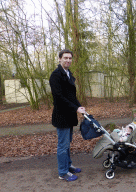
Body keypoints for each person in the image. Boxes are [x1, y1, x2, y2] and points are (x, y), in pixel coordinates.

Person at [49, 49, 85, 182]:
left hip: (70, 116)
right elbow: (59, 97)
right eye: (65, 58)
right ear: (59, 59)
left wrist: (79, 106)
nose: (68, 60)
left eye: (70, 58)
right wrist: (76, 108)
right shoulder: (56, 75)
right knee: (62, 145)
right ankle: (62, 172)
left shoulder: (69, 74)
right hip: (61, 116)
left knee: (67, 144)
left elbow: (71, 96)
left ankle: (68, 166)